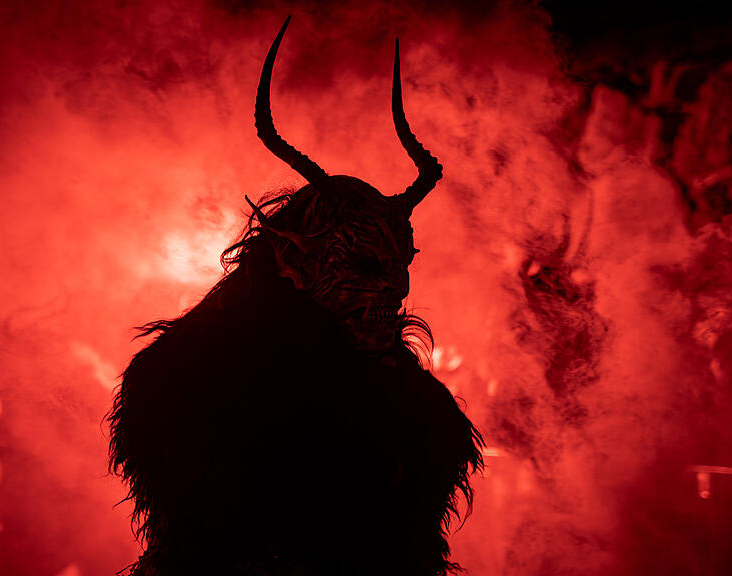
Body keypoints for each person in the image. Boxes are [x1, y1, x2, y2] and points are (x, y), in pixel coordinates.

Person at [109, 17, 482, 575]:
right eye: (367, 265)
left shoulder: (406, 398)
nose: (399, 290)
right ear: (292, 261)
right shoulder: (185, 380)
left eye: (403, 265)